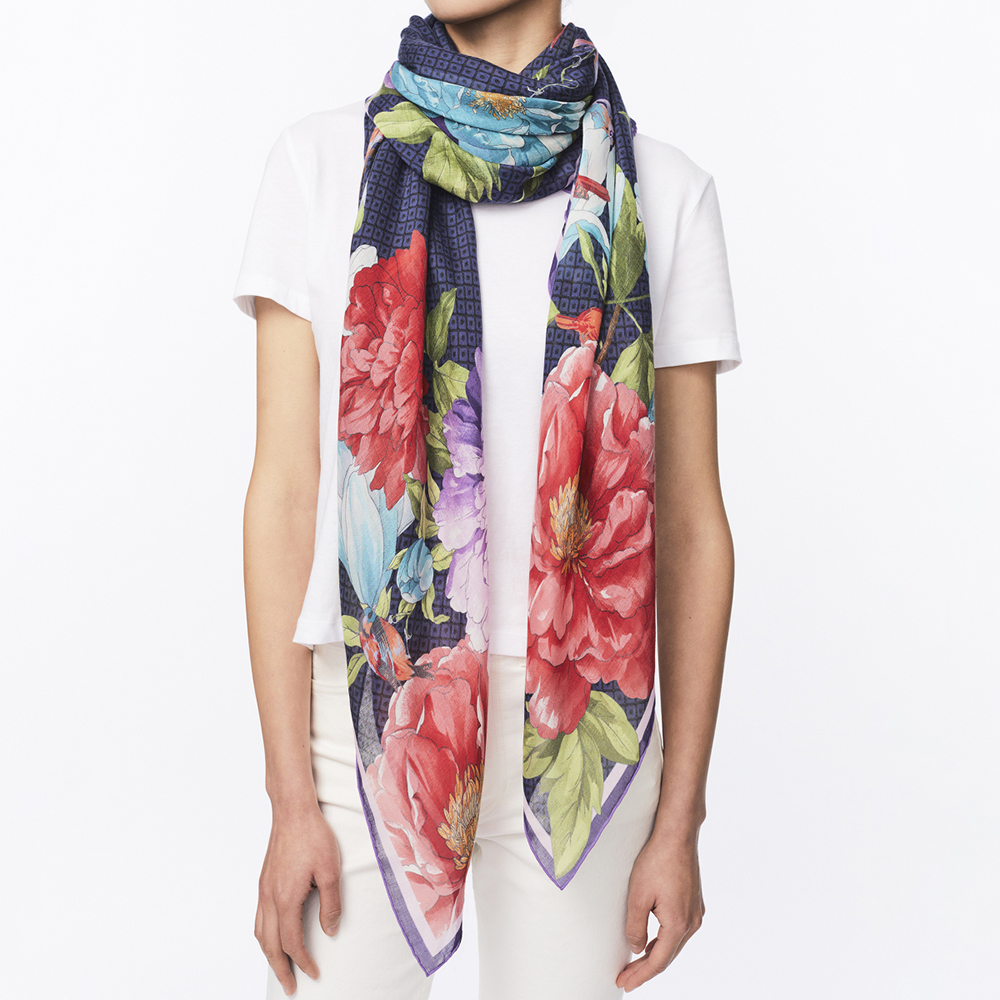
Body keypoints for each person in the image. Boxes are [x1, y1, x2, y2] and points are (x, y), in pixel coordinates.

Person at [233, 1, 740, 997]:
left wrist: (680, 813)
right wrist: (289, 798)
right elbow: (285, 496)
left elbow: (689, 524)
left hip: (584, 717)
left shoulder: (662, 191)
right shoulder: (321, 165)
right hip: (370, 707)